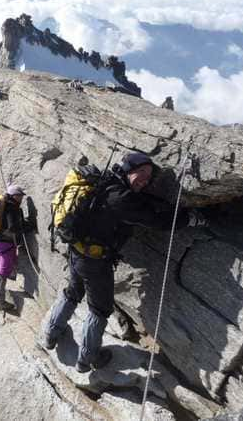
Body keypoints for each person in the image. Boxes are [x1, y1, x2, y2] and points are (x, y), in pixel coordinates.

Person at [41, 152, 207, 373]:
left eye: (149, 178)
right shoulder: (120, 198)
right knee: (100, 309)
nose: (145, 181)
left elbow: (139, 202)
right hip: (95, 261)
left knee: (73, 291)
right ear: (129, 169)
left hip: (77, 250)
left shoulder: (107, 182)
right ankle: (88, 359)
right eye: (142, 174)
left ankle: (51, 335)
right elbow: (154, 220)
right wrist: (189, 219)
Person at [0, 184, 34, 311]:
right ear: (14, 196)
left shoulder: (5, 205)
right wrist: (27, 228)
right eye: (19, 196)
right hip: (7, 243)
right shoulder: (12, 208)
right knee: (3, 272)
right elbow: (12, 227)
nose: (21, 198)